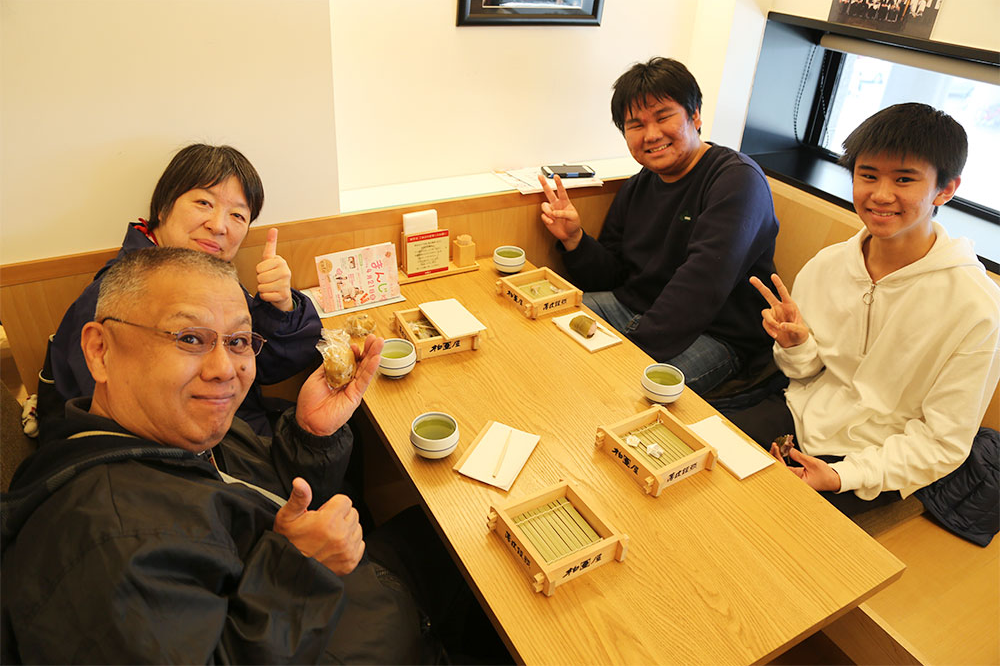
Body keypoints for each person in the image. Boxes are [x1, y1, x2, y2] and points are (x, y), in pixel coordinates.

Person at [1, 248, 503, 663]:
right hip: (343, 626)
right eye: (190, 338)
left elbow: (270, 497)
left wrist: (309, 434)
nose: (224, 368)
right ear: (100, 351)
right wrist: (300, 569)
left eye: (239, 340)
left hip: (361, 597)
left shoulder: (178, 432)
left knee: (467, 535)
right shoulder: (106, 544)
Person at [728, 103, 1000, 516]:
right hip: (801, 415)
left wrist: (841, 476)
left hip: (879, 462)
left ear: (945, 189)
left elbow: (942, 443)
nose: (880, 194)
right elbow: (804, 374)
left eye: (904, 179)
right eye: (867, 175)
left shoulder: (977, 307)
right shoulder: (829, 265)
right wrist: (796, 346)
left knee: (764, 530)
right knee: (700, 456)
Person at [38, 144, 321, 437]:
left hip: (231, 430)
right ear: (163, 207)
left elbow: (264, 366)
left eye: (237, 215)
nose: (218, 225)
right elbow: (125, 430)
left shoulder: (206, 276)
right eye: (204, 203)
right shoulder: (118, 294)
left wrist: (282, 308)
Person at [538, 57, 778, 395]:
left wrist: (624, 350)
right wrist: (576, 240)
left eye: (664, 117)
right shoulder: (638, 185)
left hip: (716, 334)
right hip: (633, 310)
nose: (651, 135)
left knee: (618, 387)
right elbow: (615, 276)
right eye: (635, 125)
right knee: (541, 326)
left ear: (695, 115)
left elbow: (701, 287)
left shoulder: (737, 180)